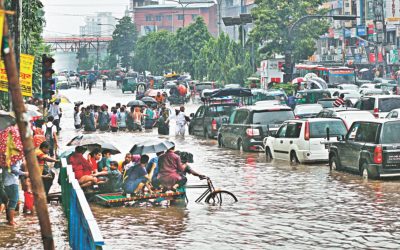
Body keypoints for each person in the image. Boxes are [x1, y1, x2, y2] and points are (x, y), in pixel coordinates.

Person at [3, 160, 28, 225]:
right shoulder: (14, 158)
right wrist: (24, 173)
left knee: (8, 201)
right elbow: (13, 170)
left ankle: (9, 219)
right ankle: (11, 221)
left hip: (6, 181)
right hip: (12, 182)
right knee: (13, 201)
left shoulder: (7, 156)